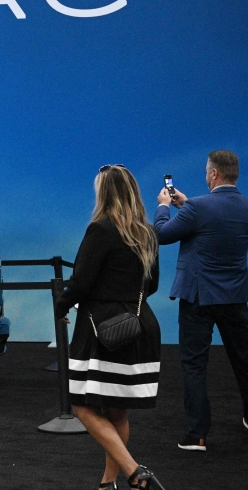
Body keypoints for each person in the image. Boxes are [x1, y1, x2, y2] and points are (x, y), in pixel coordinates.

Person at [55, 165, 165, 490]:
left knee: (82, 404)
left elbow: (81, 282)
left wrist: (61, 306)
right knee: (117, 411)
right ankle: (108, 484)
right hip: (139, 327)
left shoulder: (100, 229)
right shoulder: (148, 233)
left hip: (103, 330)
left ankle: (134, 473)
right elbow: (152, 285)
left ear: (103, 193)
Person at [155, 149, 248, 451]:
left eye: (207, 171)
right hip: (235, 297)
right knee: (244, 360)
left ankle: (197, 434)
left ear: (214, 174)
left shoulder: (198, 207)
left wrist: (165, 206)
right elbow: (215, 226)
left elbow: (161, 235)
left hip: (198, 298)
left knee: (194, 365)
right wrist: (186, 205)